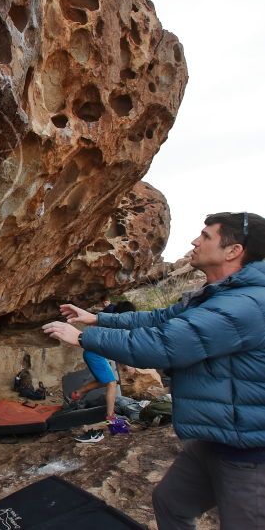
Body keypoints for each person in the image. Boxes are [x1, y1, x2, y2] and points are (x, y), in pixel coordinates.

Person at [43, 212, 265, 528]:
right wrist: (98, 319)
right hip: (216, 440)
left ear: (233, 251)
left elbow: (164, 344)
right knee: (170, 503)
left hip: (250, 453)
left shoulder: (246, 305)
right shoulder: (217, 295)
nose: (194, 241)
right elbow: (160, 318)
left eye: (205, 236)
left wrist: (82, 337)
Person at [71, 300, 136, 443]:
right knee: (111, 383)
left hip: (93, 353)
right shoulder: (117, 327)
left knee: (105, 380)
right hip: (94, 354)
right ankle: (111, 417)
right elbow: (120, 349)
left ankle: (79, 392)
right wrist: (127, 364)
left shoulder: (112, 316)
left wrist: (108, 305)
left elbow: (110, 308)